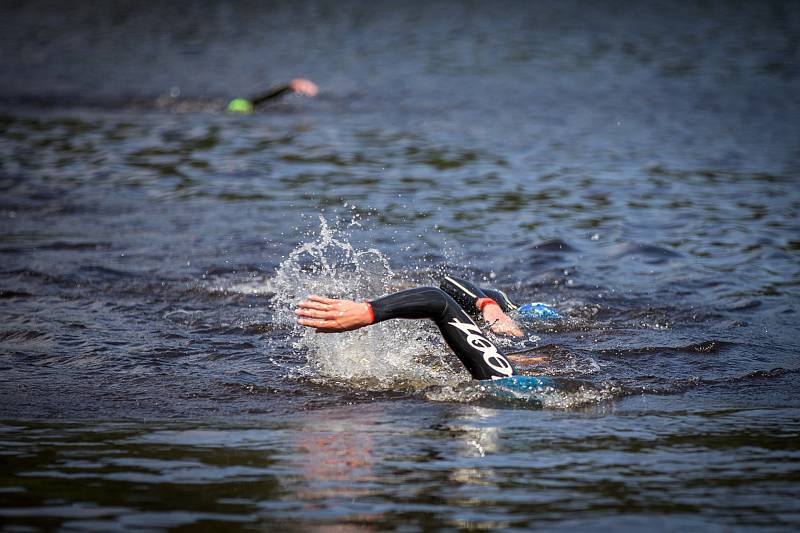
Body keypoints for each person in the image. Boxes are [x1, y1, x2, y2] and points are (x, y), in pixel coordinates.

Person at [296, 275, 530, 381]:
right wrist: (490, 307)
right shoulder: (516, 328)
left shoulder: (506, 376)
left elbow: (439, 299)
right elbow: (446, 286)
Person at [227, 78, 318, 113]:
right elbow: (269, 96)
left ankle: (293, 85)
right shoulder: (252, 105)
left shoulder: (251, 104)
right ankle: (293, 85)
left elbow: (269, 96)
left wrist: (290, 87)